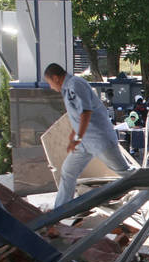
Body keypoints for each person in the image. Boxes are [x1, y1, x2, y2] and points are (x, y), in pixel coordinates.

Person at [43, 62, 129, 208]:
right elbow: (78, 115)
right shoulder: (69, 88)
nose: (51, 87)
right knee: (68, 172)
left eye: (49, 82)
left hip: (98, 139)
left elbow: (86, 112)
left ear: (56, 78)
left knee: (126, 173)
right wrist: (74, 134)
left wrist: (77, 137)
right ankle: (60, 211)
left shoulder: (74, 84)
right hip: (85, 143)